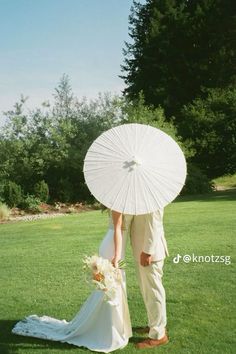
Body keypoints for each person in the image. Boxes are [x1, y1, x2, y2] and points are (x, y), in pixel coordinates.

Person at [12, 210, 132, 353]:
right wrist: (117, 256)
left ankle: (113, 328)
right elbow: (117, 227)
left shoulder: (126, 202)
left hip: (116, 245)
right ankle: (106, 331)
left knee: (112, 287)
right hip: (113, 247)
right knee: (110, 288)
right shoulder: (118, 204)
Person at [124, 209, 169, 349]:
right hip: (141, 251)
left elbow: (154, 223)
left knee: (154, 293)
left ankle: (158, 336)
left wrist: (148, 251)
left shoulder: (152, 198)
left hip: (150, 254)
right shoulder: (142, 196)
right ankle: (154, 326)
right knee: (148, 292)